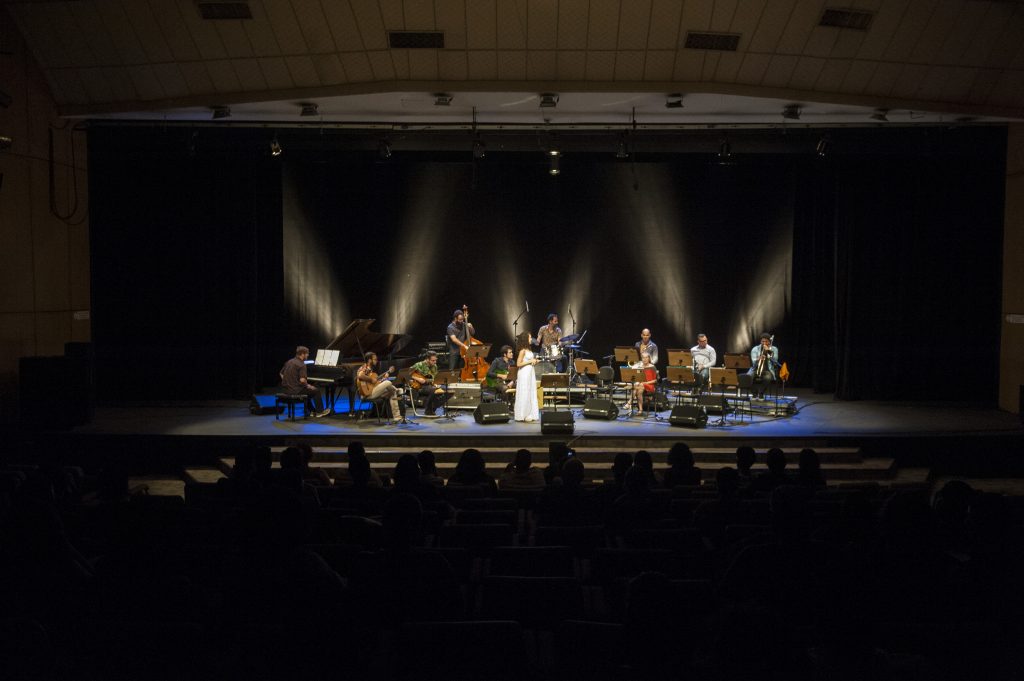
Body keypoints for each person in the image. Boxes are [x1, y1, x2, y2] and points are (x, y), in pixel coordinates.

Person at [279, 345, 330, 418]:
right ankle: (320, 412)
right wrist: (309, 386)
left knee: (307, 391)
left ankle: (312, 411)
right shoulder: (302, 364)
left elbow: (281, 373)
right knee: (315, 391)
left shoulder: (289, 361)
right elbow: (302, 380)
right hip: (295, 390)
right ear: (302, 354)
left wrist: (287, 381)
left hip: (286, 390)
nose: (308, 355)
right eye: (307, 353)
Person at [356, 351, 404, 423]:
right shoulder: (365, 367)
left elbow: (376, 384)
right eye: (375, 359)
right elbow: (360, 375)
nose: (377, 361)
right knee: (388, 383)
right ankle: (398, 390)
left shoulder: (371, 371)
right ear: (369, 360)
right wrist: (371, 379)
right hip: (367, 394)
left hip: (373, 391)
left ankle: (397, 417)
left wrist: (384, 378)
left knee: (392, 392)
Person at [409, 351, 448, 417]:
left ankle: (432, 409)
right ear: (427, 359)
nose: (435, 362)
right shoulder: (419, 365)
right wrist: (418, 379)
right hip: (420, 387)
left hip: (430, 385)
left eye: (435, 360)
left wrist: (436, 382)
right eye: (433, 360)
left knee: (447, 390)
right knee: (434, 390)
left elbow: (435, 378)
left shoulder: (435, 366)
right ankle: (428, 410)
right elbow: (407, 373)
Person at [513, 331, 540, 423]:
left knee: (530, 391)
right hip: (524, 373)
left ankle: (530, 413)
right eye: (529, 337)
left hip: (530, 372)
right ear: (525, 339)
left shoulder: (529, 350)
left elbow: (529, 361)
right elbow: (518, 364)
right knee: (524, 392)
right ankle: (522, 414)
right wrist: (530, 361)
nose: (531, 339)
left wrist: (534, 361)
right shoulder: (522, 350)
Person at [625, 351, 659, 415]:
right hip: (641, 385)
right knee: (638, 389)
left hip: (650, 385)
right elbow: (638, 377)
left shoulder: (652, 367)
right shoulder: (640, 367)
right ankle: (640, 410)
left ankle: (629, 403)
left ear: (649, 358)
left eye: (646, 357)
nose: (645, 359)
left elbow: (655, 380)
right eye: (643, 358)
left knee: (637, 387)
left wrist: (645, 383)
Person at [748, 333, 780, 399]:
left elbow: (775, 361)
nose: (764, 343)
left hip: (767, 370)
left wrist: (768, 351)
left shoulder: (774, 349)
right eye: (763, 341)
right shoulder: (755, 349)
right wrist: (758, 359)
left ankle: (761, 392)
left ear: (769, 342)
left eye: (766, 341)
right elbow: (753, 362)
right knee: (747, 377)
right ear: (760, 341)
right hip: (755, 369)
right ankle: (754, 392)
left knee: (768, 378)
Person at [446, 306, 476, 372]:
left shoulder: (464, 324)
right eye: (460, 319)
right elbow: (454, 339)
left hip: (463, 352)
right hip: (454, 351)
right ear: (455, 318)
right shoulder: (450, 327)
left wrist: (471, 327)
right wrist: (464, 346)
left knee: (462, 370)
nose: (461, 321)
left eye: (462, 319)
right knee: (452, 370)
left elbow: (473, 333)